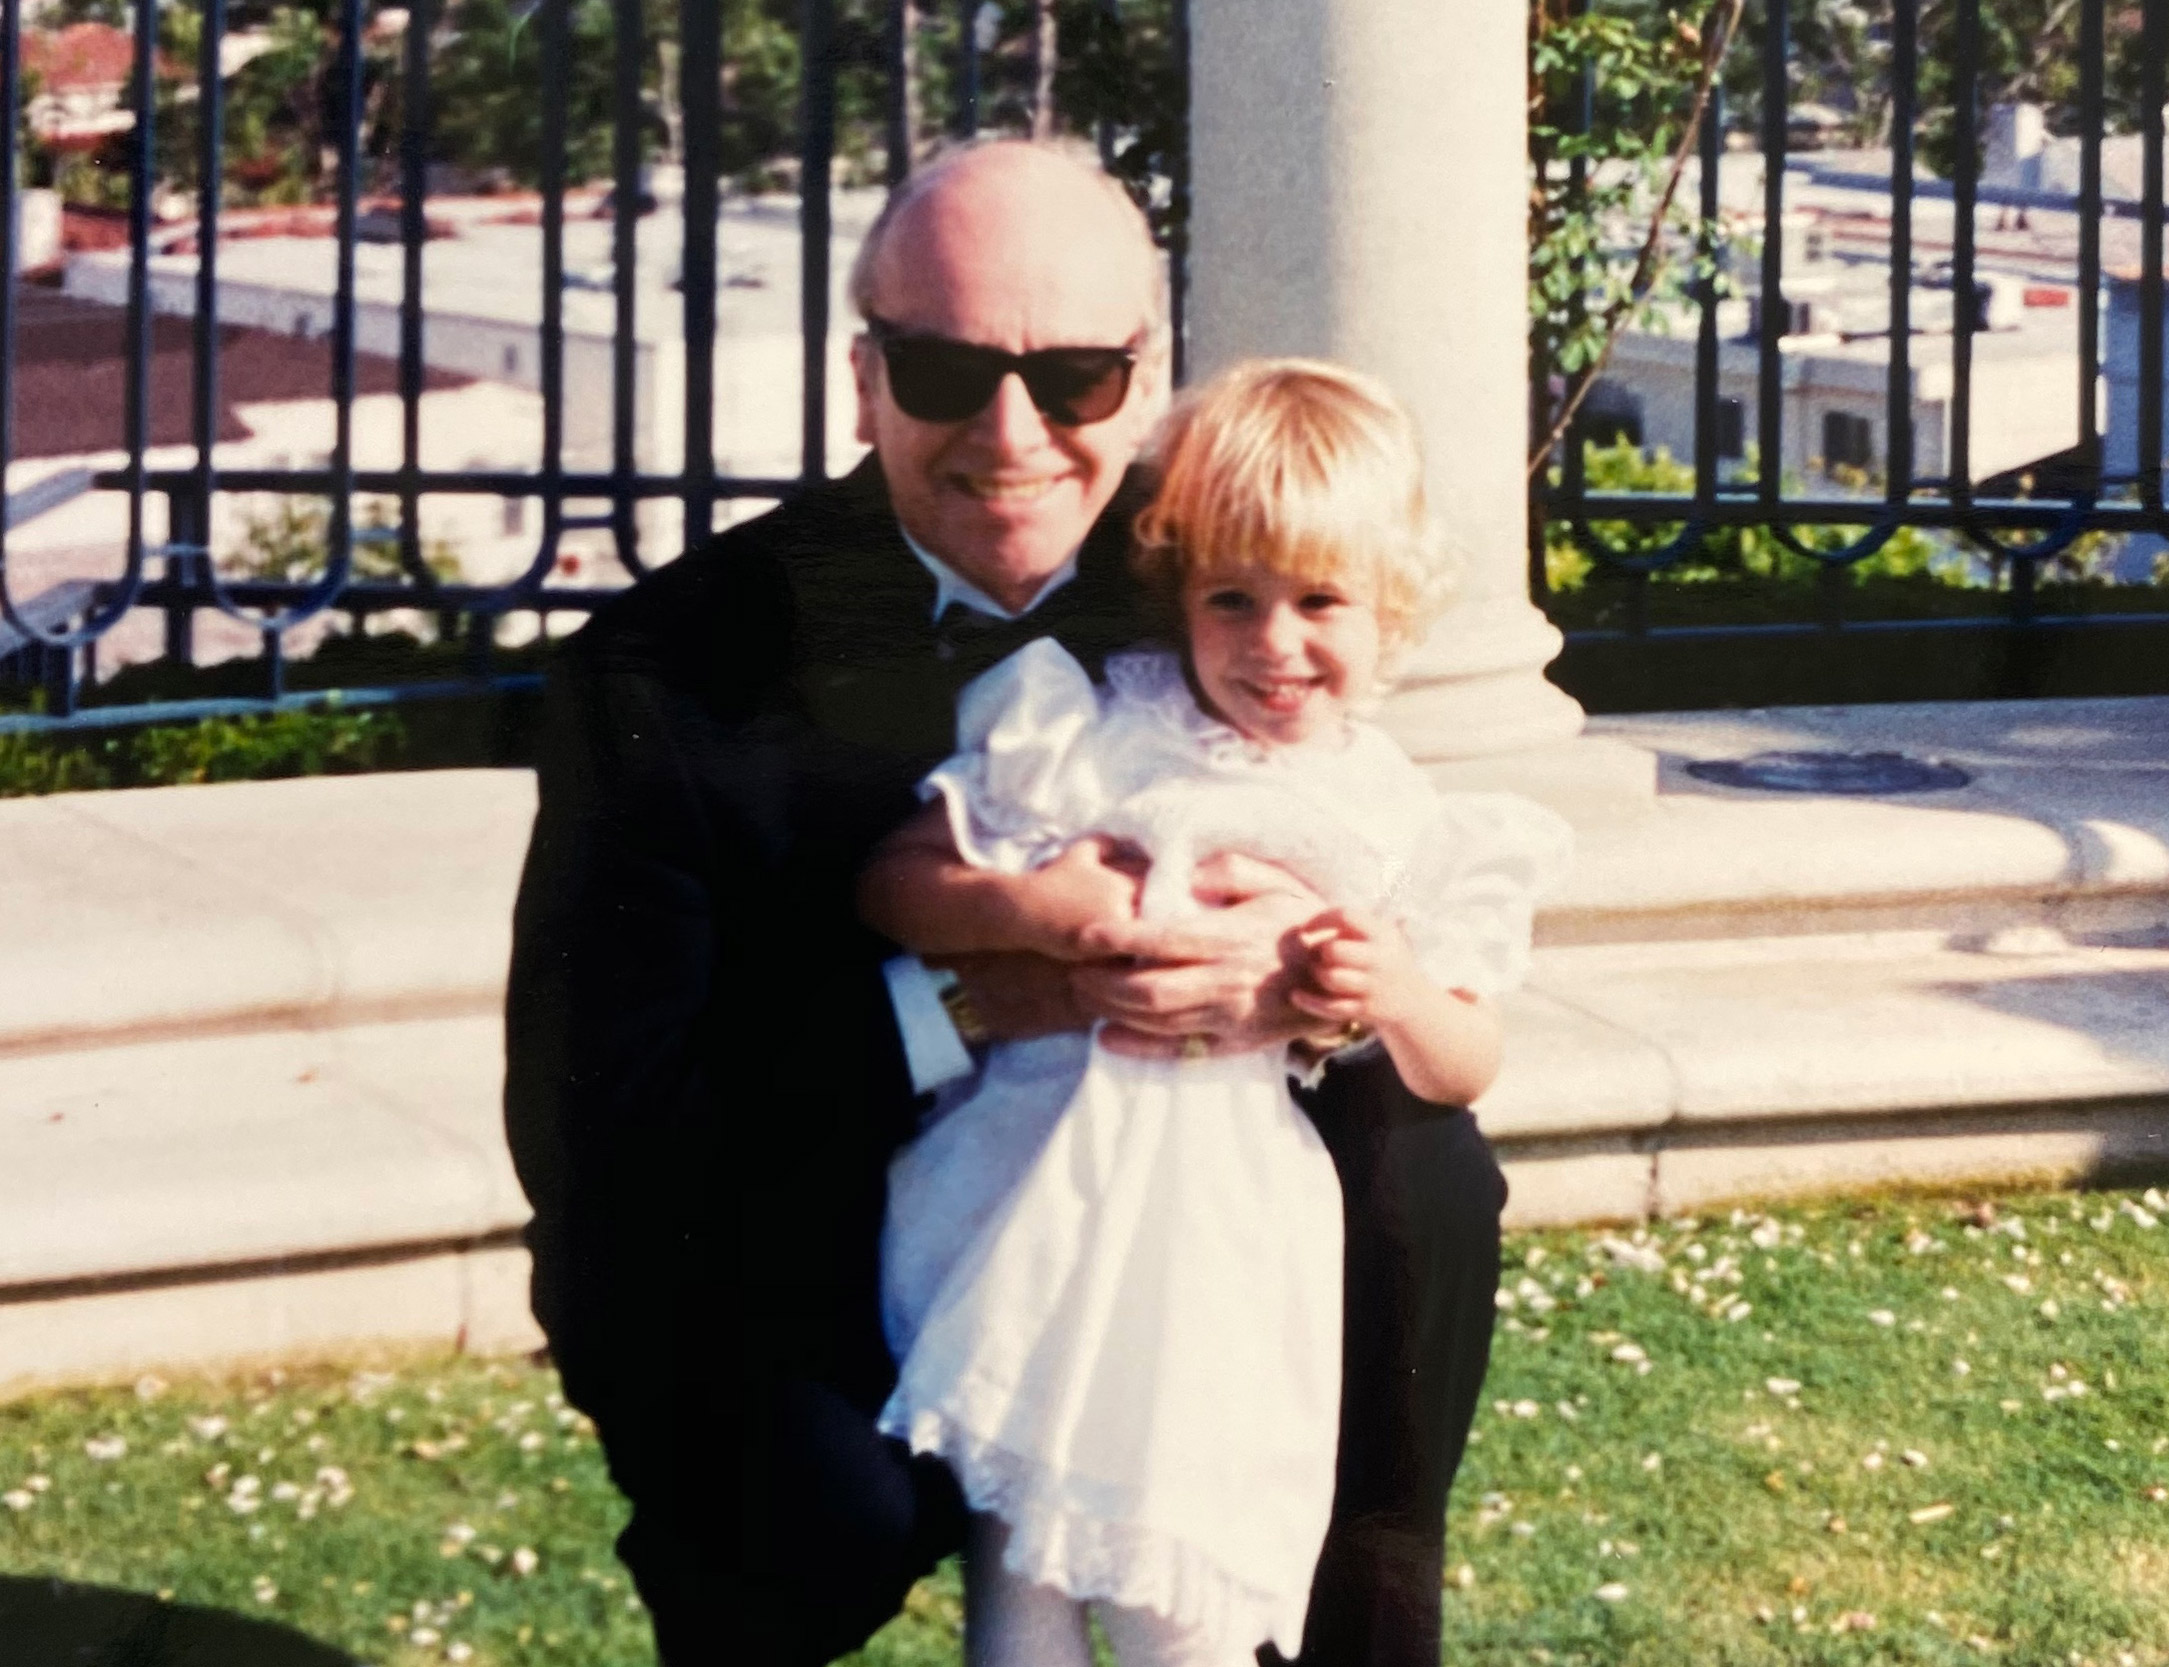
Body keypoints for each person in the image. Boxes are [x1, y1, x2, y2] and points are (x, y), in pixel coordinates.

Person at [502, 138, 1512, 1667]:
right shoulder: (669, 670)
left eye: (1076, 378)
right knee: (805, 1507)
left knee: (1422, 1183)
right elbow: (615, 1110)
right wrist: (984, 994)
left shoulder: (1216, 584)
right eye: (946, 367)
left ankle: (1360, 1612)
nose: (1013, 432)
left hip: (1163, 1193)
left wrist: (1289, 994)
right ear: (864, 377)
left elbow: (1357, 859)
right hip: (805, 1213)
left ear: (1149, 374)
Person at [862, 360, 1571, 1667]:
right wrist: (1037, 911)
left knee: (1183, 1574)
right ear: (1178, 591)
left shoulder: (1392, 811)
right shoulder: (1100, 734)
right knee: (1018, 1578)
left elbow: (1467, 1059)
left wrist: (1396, 993)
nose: (1273, 643)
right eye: (1230, 600)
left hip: (1223, 1237)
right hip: (1044, 1199)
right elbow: (899, 882)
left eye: (1320, 602)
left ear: (1392, 605)